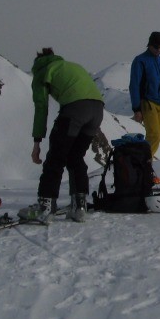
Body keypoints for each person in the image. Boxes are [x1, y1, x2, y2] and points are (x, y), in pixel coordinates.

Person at [19, 48, 105, 224]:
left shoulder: (42, 72)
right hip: (97, 110)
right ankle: (79, 207)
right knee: (75, 157)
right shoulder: (69, 66)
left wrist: (37, 142)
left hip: (75, 110)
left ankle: (45, 208)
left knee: (55, 159)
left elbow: (41, 108)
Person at [129, 31, 160, 157]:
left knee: (157, 137)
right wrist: (136, 108)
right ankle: (142, 162)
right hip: (148, 101)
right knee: (153, 134)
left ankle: (145, 163)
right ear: (150, 45)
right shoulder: (140, 61)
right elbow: (134, 84)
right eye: (156, 47)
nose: (159, 50)